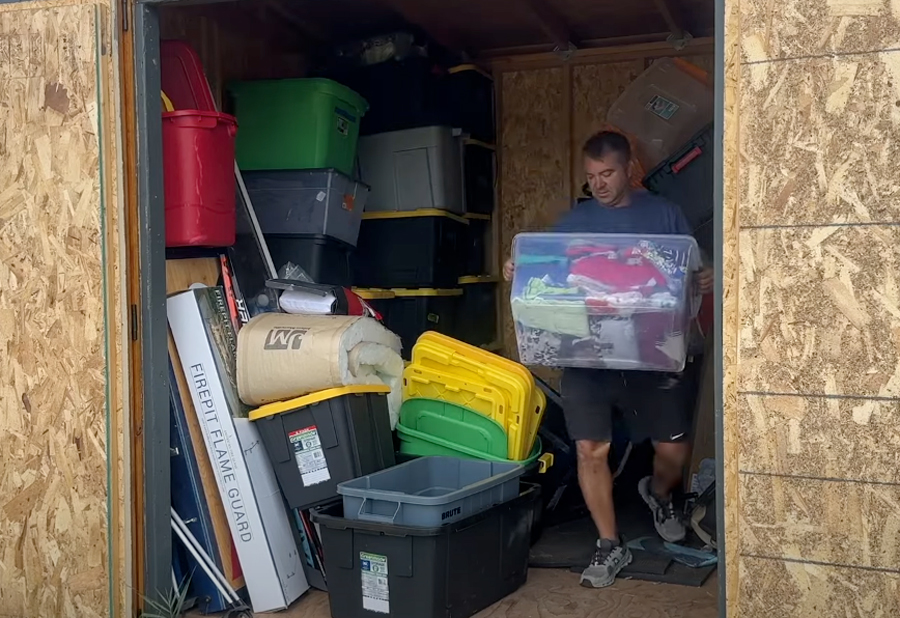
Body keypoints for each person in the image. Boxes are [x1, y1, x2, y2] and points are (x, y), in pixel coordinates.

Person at [503, 131, 713, 589]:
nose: (598, 184)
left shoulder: (663, 214)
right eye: (592, 176)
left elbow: (690, 272)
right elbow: (547, 267)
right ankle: (608, 543)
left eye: (607, 174)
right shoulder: (576, 221)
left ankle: (658, 494)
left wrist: (706, 275)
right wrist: (518, 267)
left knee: (673, 449)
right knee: (589, 449)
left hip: (653, 354)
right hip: (587, 354)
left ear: (629, 168)